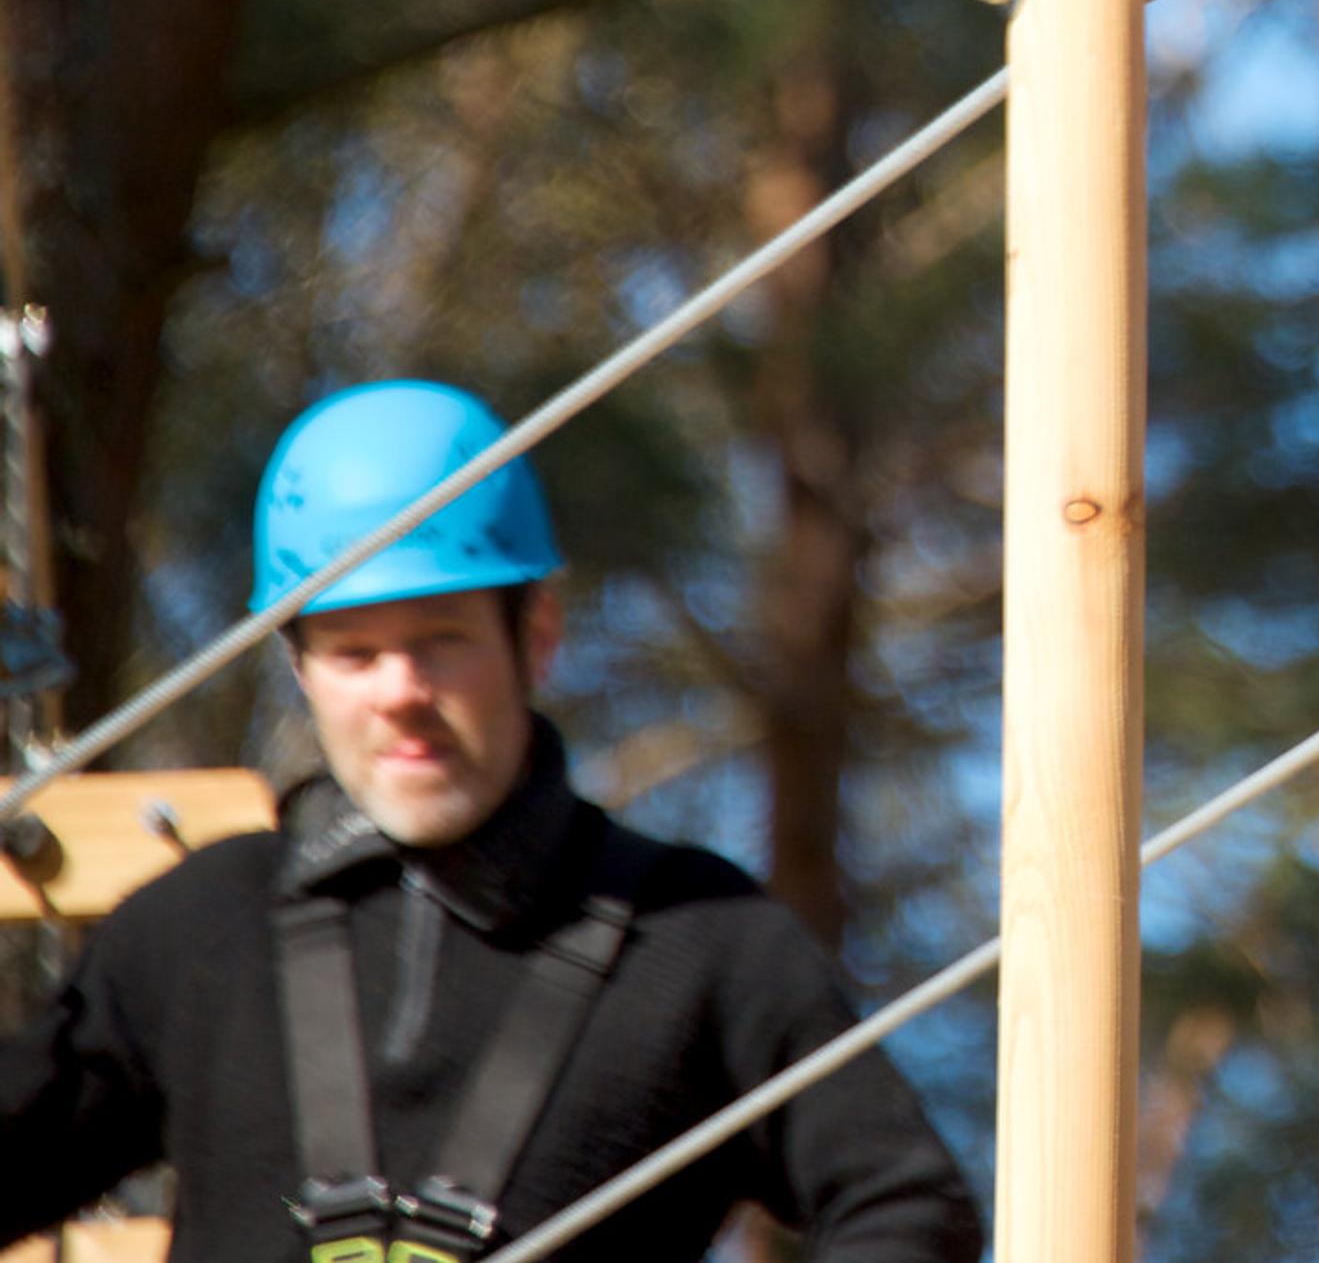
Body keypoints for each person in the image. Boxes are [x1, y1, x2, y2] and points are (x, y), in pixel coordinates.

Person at [0, 382, 983, 1263]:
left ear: (538, 634)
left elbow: (910, 1209)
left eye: (442, 641)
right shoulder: (196, 930)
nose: (402, 692)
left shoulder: (703, 942)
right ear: (299, 669)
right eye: (354, 653)